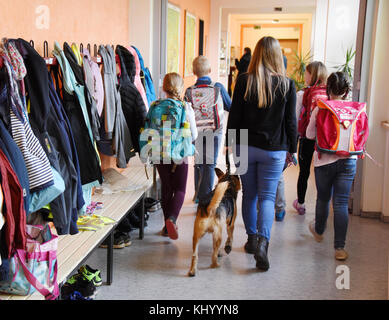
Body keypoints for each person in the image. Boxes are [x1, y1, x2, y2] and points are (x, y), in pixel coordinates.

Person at [226, 36, 297, 271]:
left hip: (244, 146)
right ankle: (263, 244)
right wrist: (293, 150)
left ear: (255, 55)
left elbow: (234, 116)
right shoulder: (287, 85)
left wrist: (230, 145)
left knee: (249, 195)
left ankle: (251, 239)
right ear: (278, 57)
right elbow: (291, 122)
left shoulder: (244, 81)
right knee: (267, 198)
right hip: (274, 150)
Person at [306, 72, 357, 261]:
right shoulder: (355, 109)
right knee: (341, 203)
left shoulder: (321, 108)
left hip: (324, 161)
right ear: (346, 91)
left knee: (323, 198)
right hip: (348, 161)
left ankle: (319, 230)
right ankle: (339, 248)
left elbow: (310, 135)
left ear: (328, 88)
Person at [155, 73, 198, 240]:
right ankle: (172, 219)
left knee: (167, 187)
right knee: (180, 189)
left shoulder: (156, 105)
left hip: (160, 152)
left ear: (164, 87)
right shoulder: (185, 107)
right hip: (180, 153)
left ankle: (166, 227)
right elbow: (193, 134)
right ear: (180, 88)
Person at [185, 55, 231, 207]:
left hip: (196, 131)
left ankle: (198, 196)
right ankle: (205, 198)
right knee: (209, 164)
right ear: (210, 70)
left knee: (198, 163)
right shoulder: (218, 87)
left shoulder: (189, 91)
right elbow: (230, 106)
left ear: (194, 71)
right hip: (214, 130)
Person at [293, 61, 328, 215]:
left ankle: (301, 203)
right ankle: (323, 206)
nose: (305, 75)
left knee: (304, 172)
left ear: (311, 75)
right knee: (323, 173)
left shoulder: (303, 94)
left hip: (307, 137)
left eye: (307, 72)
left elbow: (294, 117)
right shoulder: (329, 92)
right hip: (325, 139)